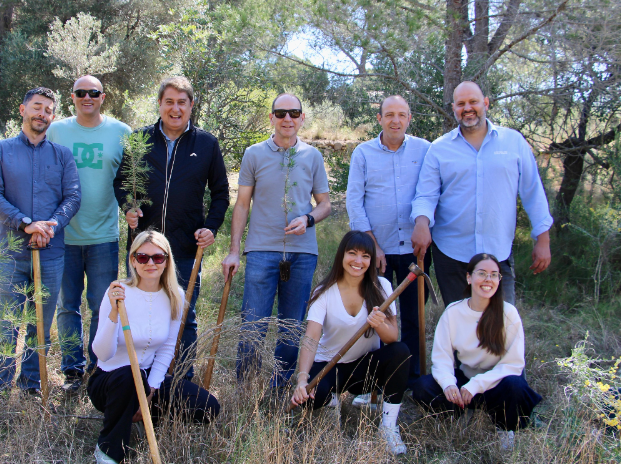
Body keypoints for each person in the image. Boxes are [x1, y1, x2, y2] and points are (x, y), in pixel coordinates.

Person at [113, 76, 229, 379]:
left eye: (182, 102)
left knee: (183, 316)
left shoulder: (206, 144)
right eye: (169, 102)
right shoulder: (139, 141)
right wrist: (128, 207)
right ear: (160, 104)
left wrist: (211, 227)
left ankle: (180, 380)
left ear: (191, 106)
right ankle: (139, 377)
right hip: (144, 250)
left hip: (186, 249)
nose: (175, 109)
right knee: (141, 313)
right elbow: (122, 182)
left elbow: (220, 193)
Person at [222, 93, 331, 388]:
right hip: (261, 251)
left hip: (302, 253)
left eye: (294, 113)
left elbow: (325, 204)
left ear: (302, 118)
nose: (287, 119)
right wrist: (234, 251)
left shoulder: (312, 156)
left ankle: (280, 386)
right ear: (271, 117)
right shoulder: (254, 154)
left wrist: (308, 219)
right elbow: (242, 204)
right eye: (281, 113)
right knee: (253, 323)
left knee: (292, 326)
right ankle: (247, 386)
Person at [411, 81, 553, 306]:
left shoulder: (513, 142)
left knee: (499, 327)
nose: (467, 108)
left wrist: (542, 239)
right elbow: (426, 195)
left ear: (485, 103)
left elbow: (532, 191)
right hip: (451, 252)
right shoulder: (439, 148)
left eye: (473, 102)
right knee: (458, 327)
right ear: (454, 108)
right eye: (461, 103)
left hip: (497, 252)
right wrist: (421, 223)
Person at [88, 230, 220, 464]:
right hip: (109, 380)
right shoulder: (118, 292)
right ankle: (108, 451)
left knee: (207, 407)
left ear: (167, 261)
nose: (150, 263)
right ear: (133, 261)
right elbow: (102, 353)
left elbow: (167, 348)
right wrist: (112, 314)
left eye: (158, 257)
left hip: (147, 378)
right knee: (130, 375)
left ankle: (139, 415)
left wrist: (150, 392)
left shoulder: (175, 295)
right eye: (143, 257)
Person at [0, 87, 81, 395]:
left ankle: (30, 385)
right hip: (10, 255)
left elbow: (73, 196)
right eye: (37, 107)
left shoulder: (62, 155)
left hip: (50, 254)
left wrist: (50, 225)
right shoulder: (0, 150)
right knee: (5, 327)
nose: (42, 114)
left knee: (39, 327)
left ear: (52, 116)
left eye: (49, 110)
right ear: (23, 109)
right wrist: (26, 224)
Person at [290, 231, 411, 455]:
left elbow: (392, 337)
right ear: (341, 256)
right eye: (352, 253)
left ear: (372, 260)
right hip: (330, 366)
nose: (358, 261)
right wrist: (302, 378)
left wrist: (379, 324)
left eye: (365, 256)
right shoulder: (324, 292)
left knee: (401, 352)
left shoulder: (382, 286)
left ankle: (388, 427)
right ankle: (332, 399)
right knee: (310, 400)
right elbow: (310, 338)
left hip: (365, 369)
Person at [47, 75, 131, 393]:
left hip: (103, 237)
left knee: (100, 306)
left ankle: (98, 369)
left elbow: (131, 180)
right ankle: (72, 370)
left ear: (102, 97)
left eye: (93, 92)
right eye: (81, 92)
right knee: (67, 306)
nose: (87, 97)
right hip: (63, 237)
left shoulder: (121, 133)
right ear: (72, 97)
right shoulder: (57, 131)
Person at [410, 253, 542, 447]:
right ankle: (460, 412)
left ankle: (505, 428)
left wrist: (476, 385)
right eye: (482, 273)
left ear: (499, 280)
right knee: (423, 387)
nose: (488, 279)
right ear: (469, 277)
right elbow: (442, 358)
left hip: (496, 384)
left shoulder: (508, 313)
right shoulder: (454, 312)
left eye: (494, 274)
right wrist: (449, 385)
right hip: (464, 383)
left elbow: (513, 364)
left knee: (516, 386)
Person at [346, 94, 431, 384]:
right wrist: (372, 246)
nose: (396, 120)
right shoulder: (363, 153)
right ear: (379, 118)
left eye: (402, 114)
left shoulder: (425, 150)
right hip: (376, 251)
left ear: (409, 118)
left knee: (412, 315)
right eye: (389, 114)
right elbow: (355, 202)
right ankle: (379, 379)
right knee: (378, 314)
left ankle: (412, 377)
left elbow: (430, 193)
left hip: (413, 249)